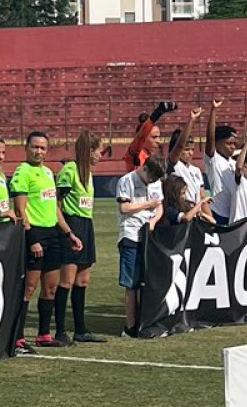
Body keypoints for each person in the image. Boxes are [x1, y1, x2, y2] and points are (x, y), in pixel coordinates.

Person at [9, 129, 69, 347]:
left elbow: (54, 209)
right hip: (34, 235)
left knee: (50, 287)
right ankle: (18, 335)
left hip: (52, 234)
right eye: (34, 147)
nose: (38, 151)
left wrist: (68, 233)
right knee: (29, 288)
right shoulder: (22, 172)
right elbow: (20, 211)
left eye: (42, 148)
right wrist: (32, 238)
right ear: (26, 148)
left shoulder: (47, 173)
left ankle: (44, 335)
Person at [55, 127, 105, 345]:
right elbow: (57, 203)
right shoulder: (69, 170)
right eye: (99, 151)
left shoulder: (88, 173)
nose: (101, 156)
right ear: (90, 150)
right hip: (72, 224)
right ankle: (59, 331)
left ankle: (80, 329)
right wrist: (67, 231)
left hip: (87, 224)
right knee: (66, 280)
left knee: (82, 280)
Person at [116, 153, 165, 336]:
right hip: (130, 234)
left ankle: (145, 322)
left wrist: (153, 222)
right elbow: (124, 208)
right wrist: (147, 205)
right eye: (151, 176)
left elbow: (159, 206)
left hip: (148, 235)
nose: (151, 181)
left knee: (148, 281)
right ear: (144, 168)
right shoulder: (126, 181)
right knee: (131, 283)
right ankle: (130, 326)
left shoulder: (156, 183)